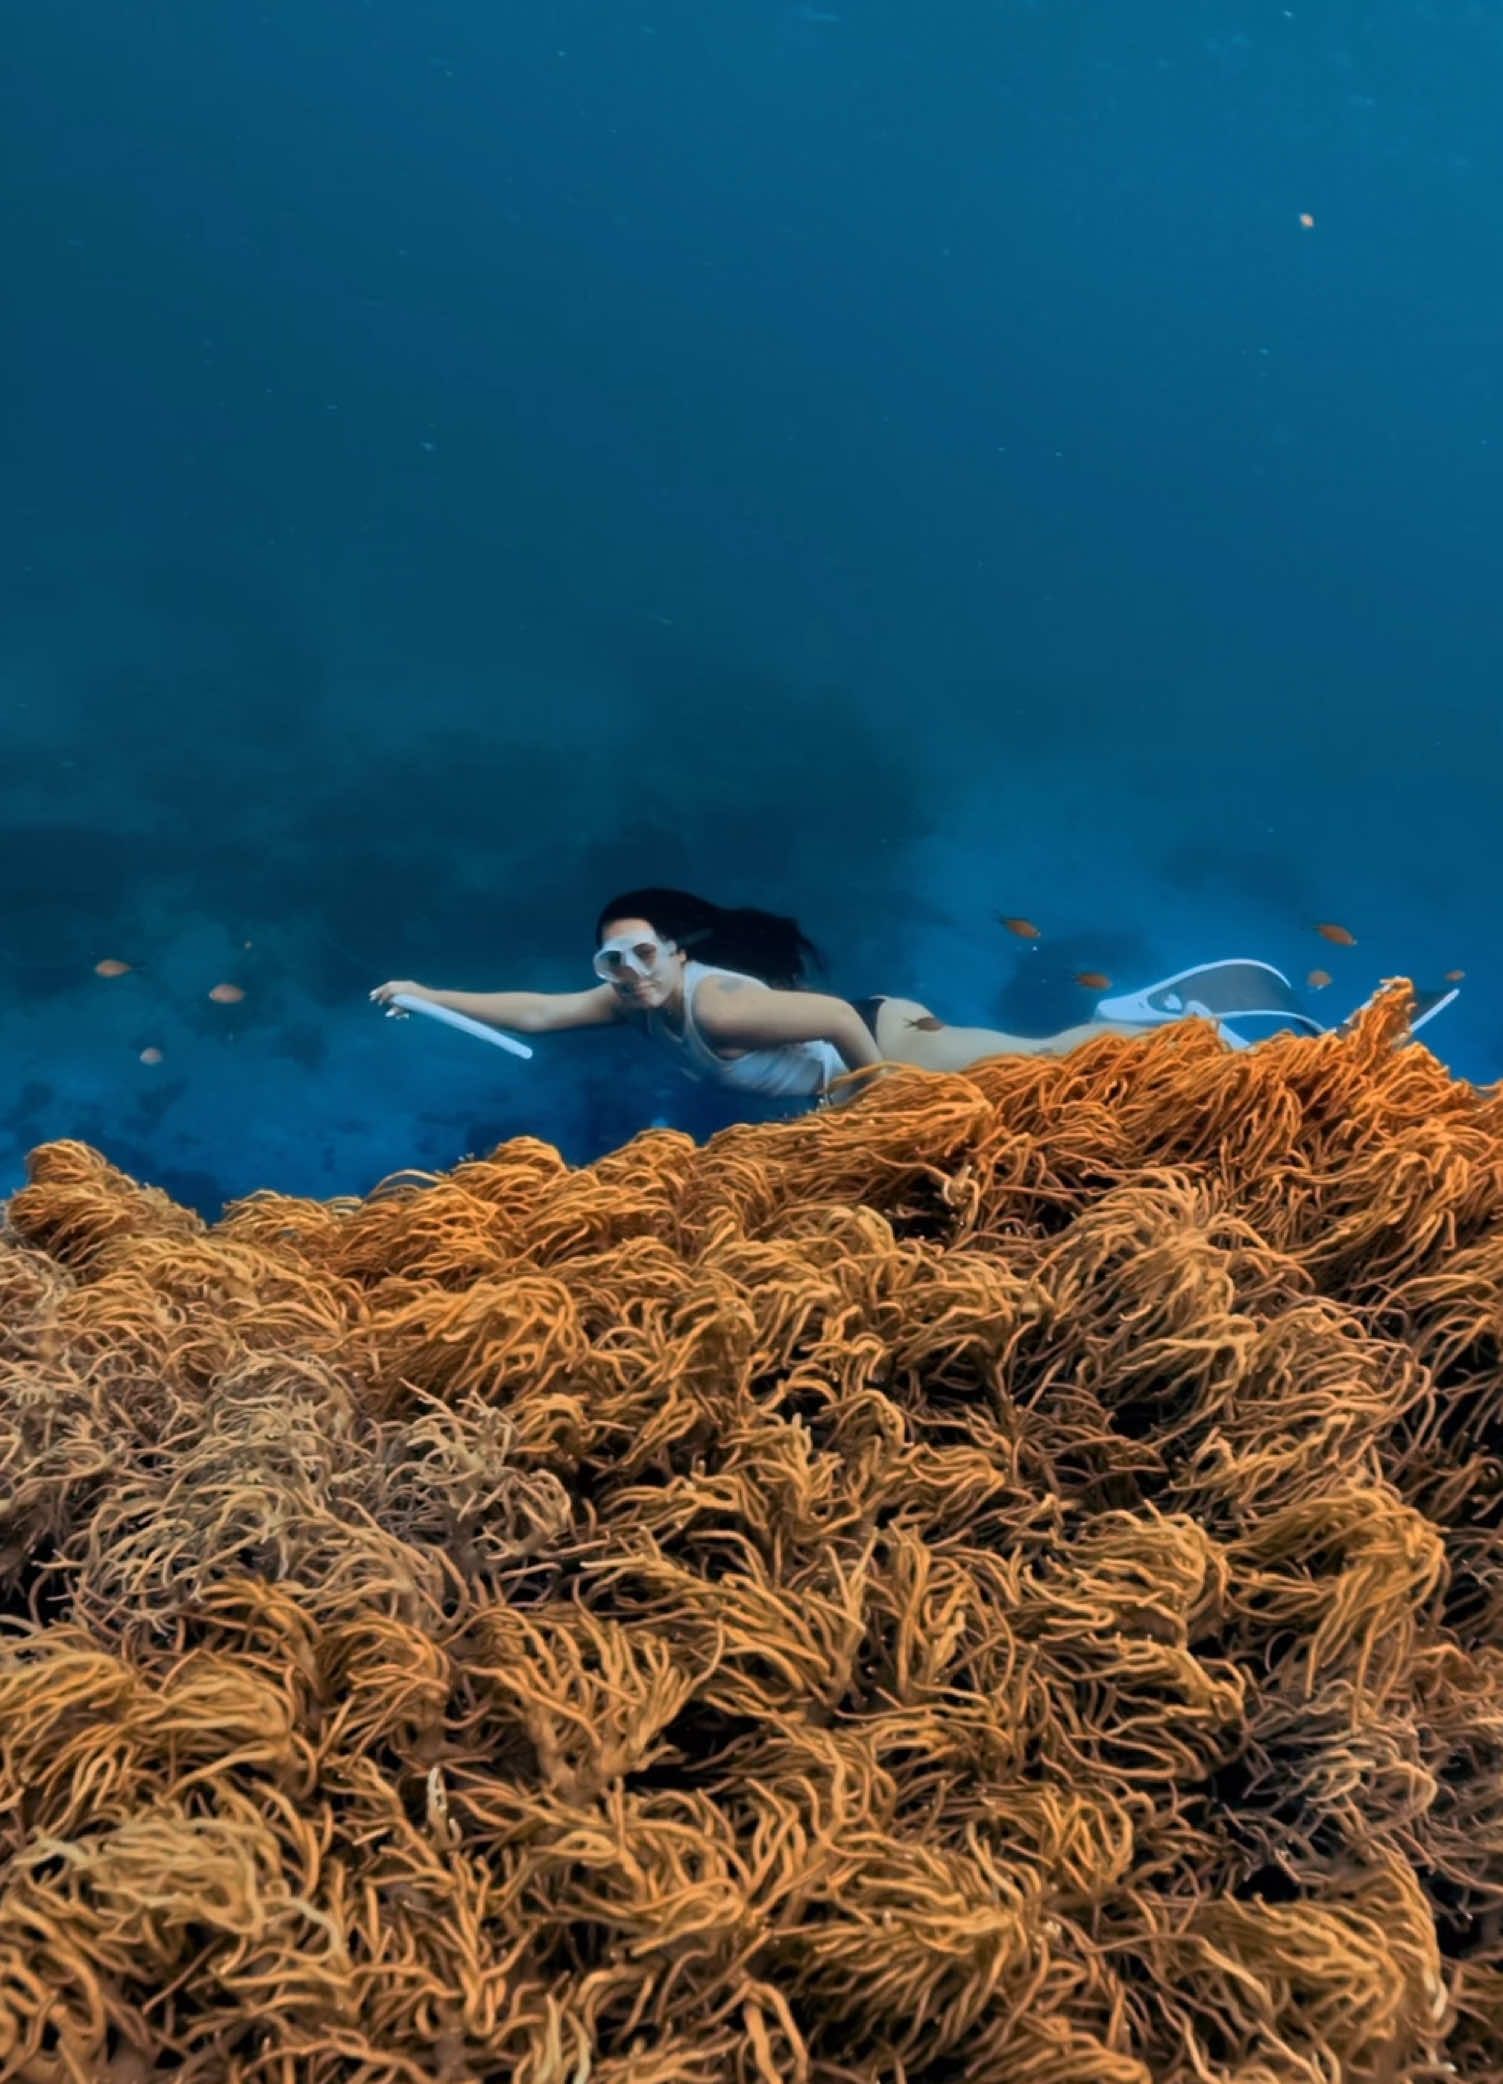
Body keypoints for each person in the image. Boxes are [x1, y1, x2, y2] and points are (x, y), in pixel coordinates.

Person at [368, 887, 1324, 1110]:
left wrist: (873, 1097)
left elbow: (826, 1019)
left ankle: (1159, 1024)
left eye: (643, 954)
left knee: (1036, 1068)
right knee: (1029, 1068)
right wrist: (425, 991)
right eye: (611, 963)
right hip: (871, 1025)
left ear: (674, 951)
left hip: (877, 1035)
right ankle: (1141, 1026)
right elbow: (534, 1009)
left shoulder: (720, 1007)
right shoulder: (626, 1002)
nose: (629, 974)